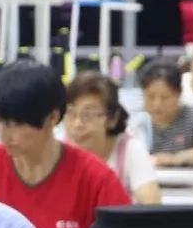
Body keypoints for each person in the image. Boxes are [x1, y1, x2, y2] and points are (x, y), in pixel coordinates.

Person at [0, 61, 131, 228]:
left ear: (53, 118)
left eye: (18, 124)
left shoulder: (96, 179)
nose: (5, 134)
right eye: (0, 122)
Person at [64, 71, 161, 205]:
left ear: (112, 119)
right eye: (70, 113)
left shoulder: (131, 150)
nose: (77, 124)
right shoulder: (60, 150)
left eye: (88, 114)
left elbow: (152, 207)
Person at [138, 60, 193, 166]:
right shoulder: (135, 121)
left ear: (179, 94)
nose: (156, 104)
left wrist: (175, 159)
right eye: (150, 96)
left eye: (165, 97)